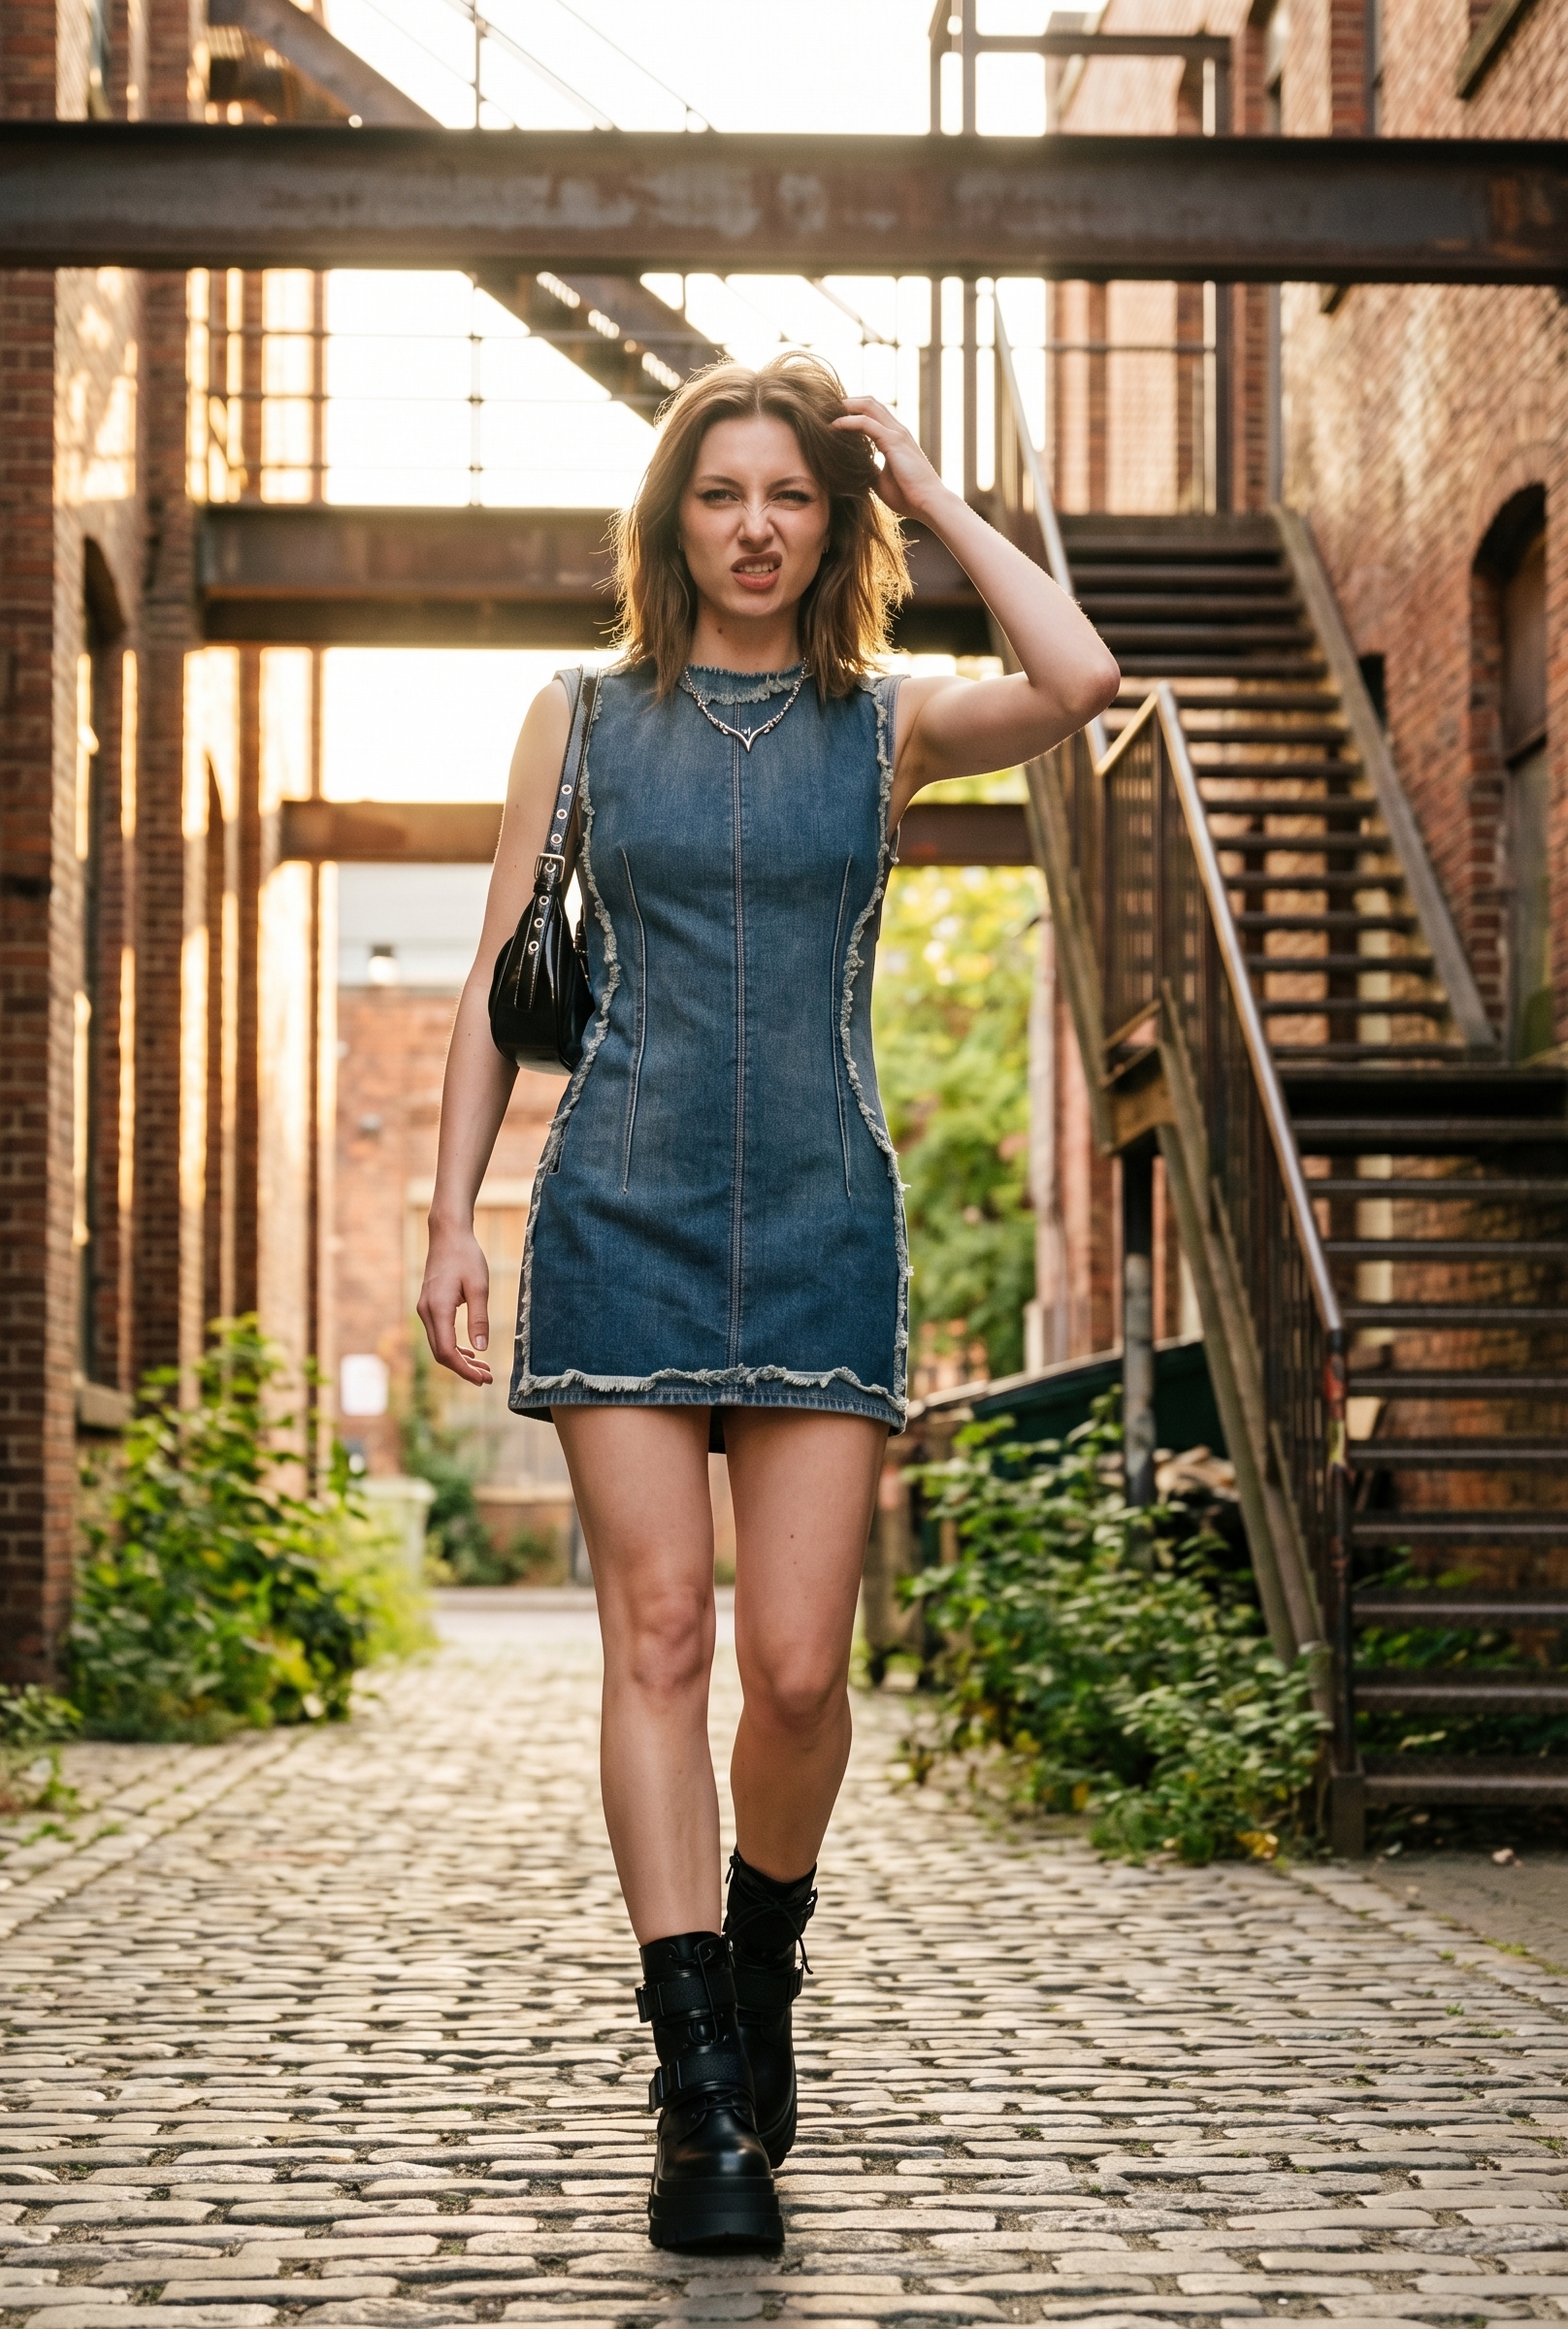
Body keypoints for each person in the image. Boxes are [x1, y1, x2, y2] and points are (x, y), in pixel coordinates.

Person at [417, 353, 1118, 2254]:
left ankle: (764, 1953)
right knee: (658, 1639)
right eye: (718, 493)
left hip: (822, 1226)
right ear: (672, 523)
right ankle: (698, 2092)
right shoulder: (573, 718)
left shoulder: (883, 722)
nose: (751, 525)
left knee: (795, 1668)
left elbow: (1079, 683)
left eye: (789, 496)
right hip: (617, 1216)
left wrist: (943, 491)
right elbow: (499, 983)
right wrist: (451, 1223)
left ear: (831, 527)